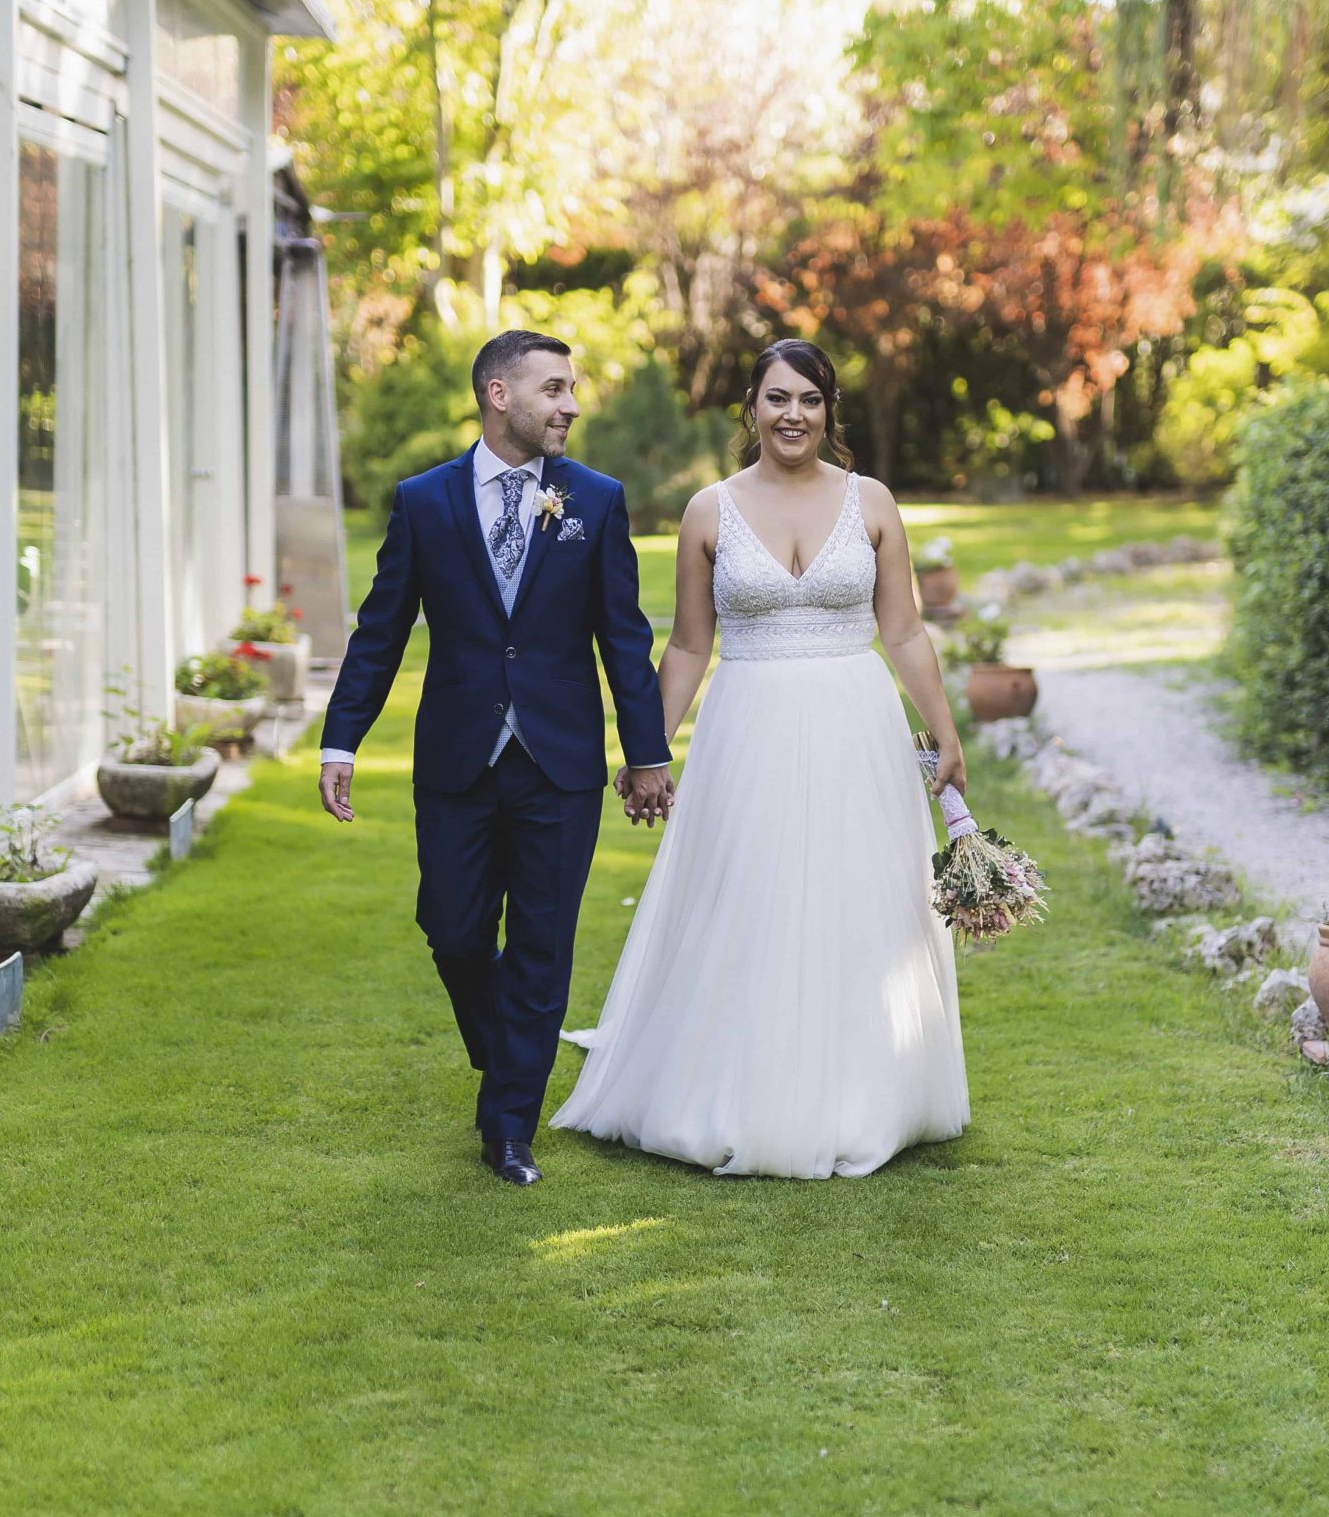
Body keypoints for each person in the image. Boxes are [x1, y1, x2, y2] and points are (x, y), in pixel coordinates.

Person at [550, 338, 969, 1178]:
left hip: (856, 725)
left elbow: (904, 630)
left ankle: (864, 1091)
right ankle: (736, 1089)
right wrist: (645, 750)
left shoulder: (872, 500)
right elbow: (687, 646)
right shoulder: (710, 510)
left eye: (810, 400)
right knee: (748, 892)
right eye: (778, 398)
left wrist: (944, 729)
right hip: (748, 728)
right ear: (751, 407)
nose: (793, 415)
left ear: (829, 410)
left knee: (858, 897)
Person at [317, 330, 674, 1187]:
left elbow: (624, 638)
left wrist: (647, 752)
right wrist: (341, 738)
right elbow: (381, 630)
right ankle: (508, 1045)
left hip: (560, 762)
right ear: (498, 394)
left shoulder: (595, 500)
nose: (571, 405)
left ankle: (509, 1125)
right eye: (554, 388)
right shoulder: (424, 501)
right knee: (453, 928)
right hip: (457, 758)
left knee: (543, 945)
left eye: (572, 387)